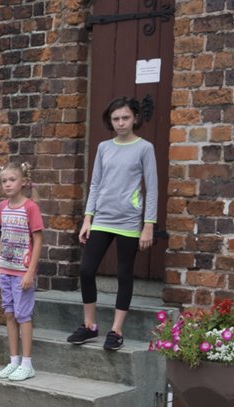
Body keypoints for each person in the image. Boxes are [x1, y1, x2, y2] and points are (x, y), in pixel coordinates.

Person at [67, 96, 157, 351]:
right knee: (86, 270)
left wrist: (148, 224)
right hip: (102, 219)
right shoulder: (104, 147)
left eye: (125, 117)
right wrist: (88, 218)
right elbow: (95, 184)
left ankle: (116, 330)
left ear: (135, 118)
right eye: (116, 118)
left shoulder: (144, 148)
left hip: (128, 220)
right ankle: (89, 326)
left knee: (124, 274)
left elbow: (152, 187)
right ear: (110, 121)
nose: (120, 123)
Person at [0, 162, 44, 381]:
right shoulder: (2, 207)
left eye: (12, 180)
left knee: (23, 315)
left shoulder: (30, 207)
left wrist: (30, 272)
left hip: (22, 271)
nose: (7, 184)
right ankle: (13, 360)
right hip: (6, 270)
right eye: (4, 181)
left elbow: (38, 241)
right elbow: (3, 236)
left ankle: (27, 363)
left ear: (23, 182)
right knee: (9, 314)